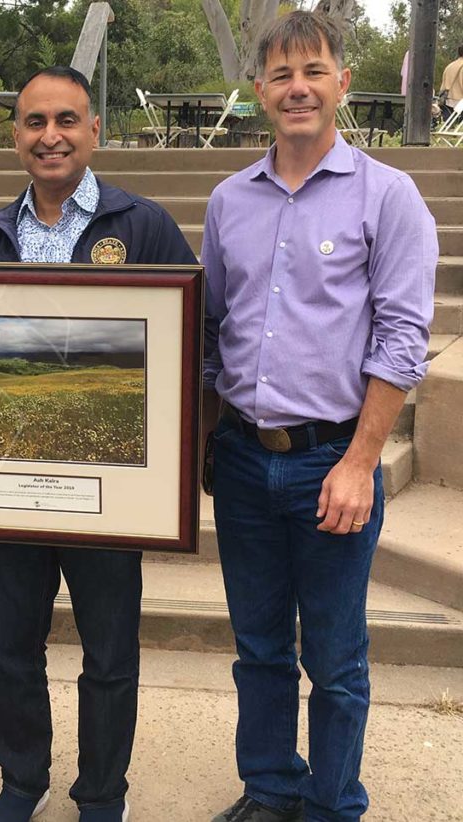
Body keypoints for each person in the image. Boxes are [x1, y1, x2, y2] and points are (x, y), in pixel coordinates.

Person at [201, 12, 436, 822]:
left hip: (331, 461)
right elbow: (214, 327)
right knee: (260, 649)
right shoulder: (229, 201)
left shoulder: (388, 197)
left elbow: (405, 337)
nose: (297, 86)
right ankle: (270, 788)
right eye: (280, 74)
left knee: (336, 660)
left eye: (314, 70)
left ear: (340, 81)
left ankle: (334, 805)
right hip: (241, 460)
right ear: (259, 90)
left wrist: (362, 461)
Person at [0, 66, 197, 822]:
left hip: (114, 496)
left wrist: (162, 480)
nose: (50, 135)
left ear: (94, 130)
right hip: (10, 492)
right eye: (33, 122)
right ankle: (21, 782)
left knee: (110, 657)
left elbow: (194, 345)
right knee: (13, 653)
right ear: (16, 136)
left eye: (66, 120)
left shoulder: (145, 226)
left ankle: (102, 795)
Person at [438, 44, 463, 120]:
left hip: (447, 103)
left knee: (448, 128)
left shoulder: (449, 66)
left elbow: (443, 86)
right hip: (460, 103)